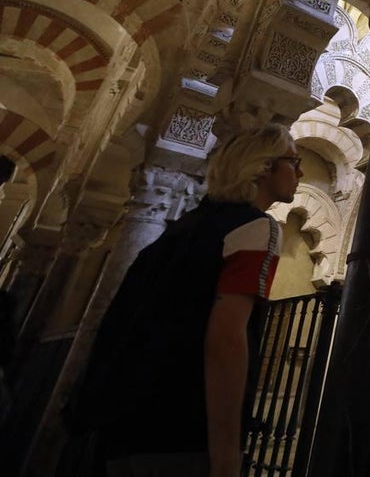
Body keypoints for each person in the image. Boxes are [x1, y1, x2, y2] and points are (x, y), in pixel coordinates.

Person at [66, 124, 302, 477]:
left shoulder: (180, 230)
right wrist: (225, 455)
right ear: (264, 166)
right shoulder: (256, 229)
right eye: (294, 162)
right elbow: (225, 340)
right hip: (181, 431)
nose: (300, 172)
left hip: (123, 428)